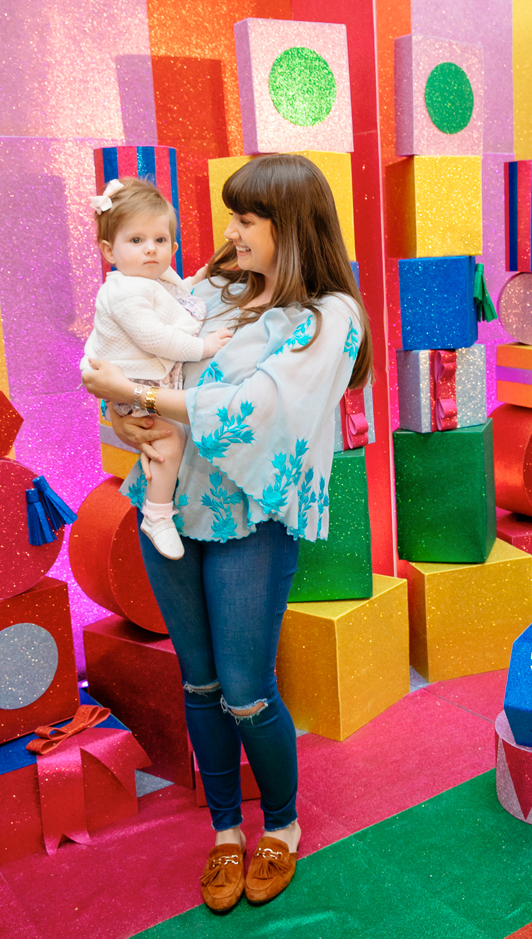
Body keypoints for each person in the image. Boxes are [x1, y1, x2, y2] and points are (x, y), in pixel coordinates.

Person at [82, 154, 373, 912]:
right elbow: (132, 370)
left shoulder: (328, 319)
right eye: (233, 218)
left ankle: (281, 823)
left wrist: (132, 392)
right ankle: (224, 833)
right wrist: (120, 405)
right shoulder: (204, 290)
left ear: (289, 225)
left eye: (246, 219)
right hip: (168, 509)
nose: (231, 232)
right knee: (201, 684)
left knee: (246, 691)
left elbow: (252, 410)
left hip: (252, 522)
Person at [83, 176, 232, 560]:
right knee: (170, 439)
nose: (150, 250)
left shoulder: (150, 278)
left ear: (172, 246)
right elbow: (156, 338)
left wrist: (196, 280)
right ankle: (157, 513)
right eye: (136, 241)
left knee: (166, 438)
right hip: (132, 380)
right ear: (108, 251)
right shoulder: (123, 291)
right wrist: (204, 346)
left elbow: (172, 299)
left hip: (144, 381)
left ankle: (161, 496)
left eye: (160, 241)